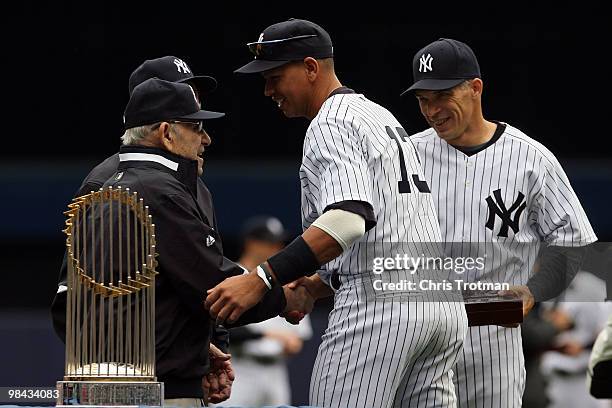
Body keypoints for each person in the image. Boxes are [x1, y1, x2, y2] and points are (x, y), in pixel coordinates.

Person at [205, 18, 468, 408]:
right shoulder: (379, 116)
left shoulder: (330, 122)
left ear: (311, 68)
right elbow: (386, 227)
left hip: (381, 311)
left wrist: (262, 278)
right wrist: (316, 284)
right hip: (439, 305)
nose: (267, 90)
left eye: (275, 76)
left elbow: (349, 218)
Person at [402, 38, 597, 407]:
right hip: (419, 332)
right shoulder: (405, 155)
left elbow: (572, 241)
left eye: (442, 96)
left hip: (493, 338)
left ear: (475, 88)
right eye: (423, 99)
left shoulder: (531, 158)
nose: (431, 110)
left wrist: (535, 290)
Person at [50, 56, 236, 404]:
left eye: (194, 92)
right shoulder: (107, 182)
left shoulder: (191, 183)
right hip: (135, 387)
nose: (196, 103)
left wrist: (203, 351)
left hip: (178, 377)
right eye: (184, 93)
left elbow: (198, 276)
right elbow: (70, 298)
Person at [219, 215, 313, 407]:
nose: (276, 249)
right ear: (251, 243)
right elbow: (218, 326)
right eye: (269, 243)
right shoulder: (230, 276)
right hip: (239, 369)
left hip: (275, 371)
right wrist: (267, 335)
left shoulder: (286, 280)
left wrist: (291, 342)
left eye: (279, 244)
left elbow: (298, 334)